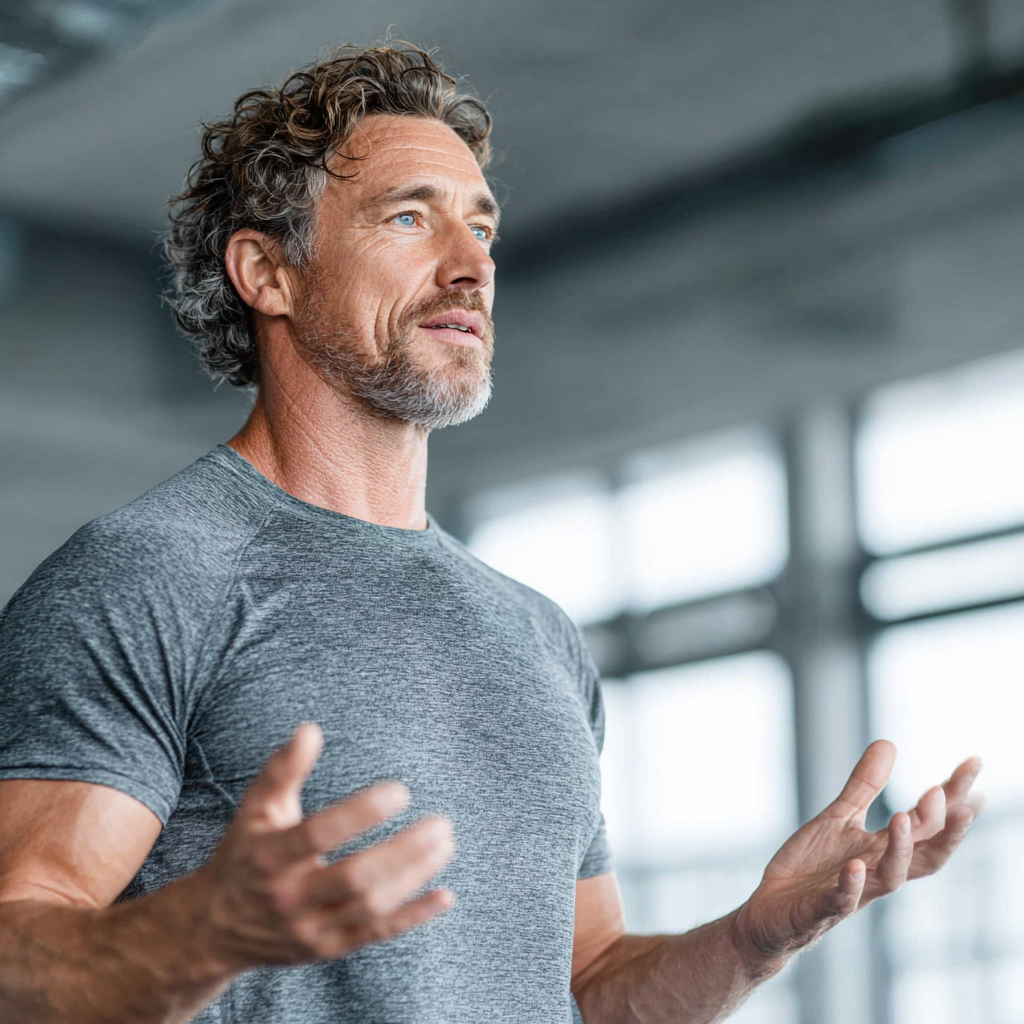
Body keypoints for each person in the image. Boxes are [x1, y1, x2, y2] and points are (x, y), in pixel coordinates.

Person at [0, 43, 984, 1024]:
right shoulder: (147, 576)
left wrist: (751, 939)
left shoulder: (536, 633)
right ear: (268, 273)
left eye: (481, 228)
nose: (471, 267)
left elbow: (588, 983)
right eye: (408, 217)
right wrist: (199, 938)